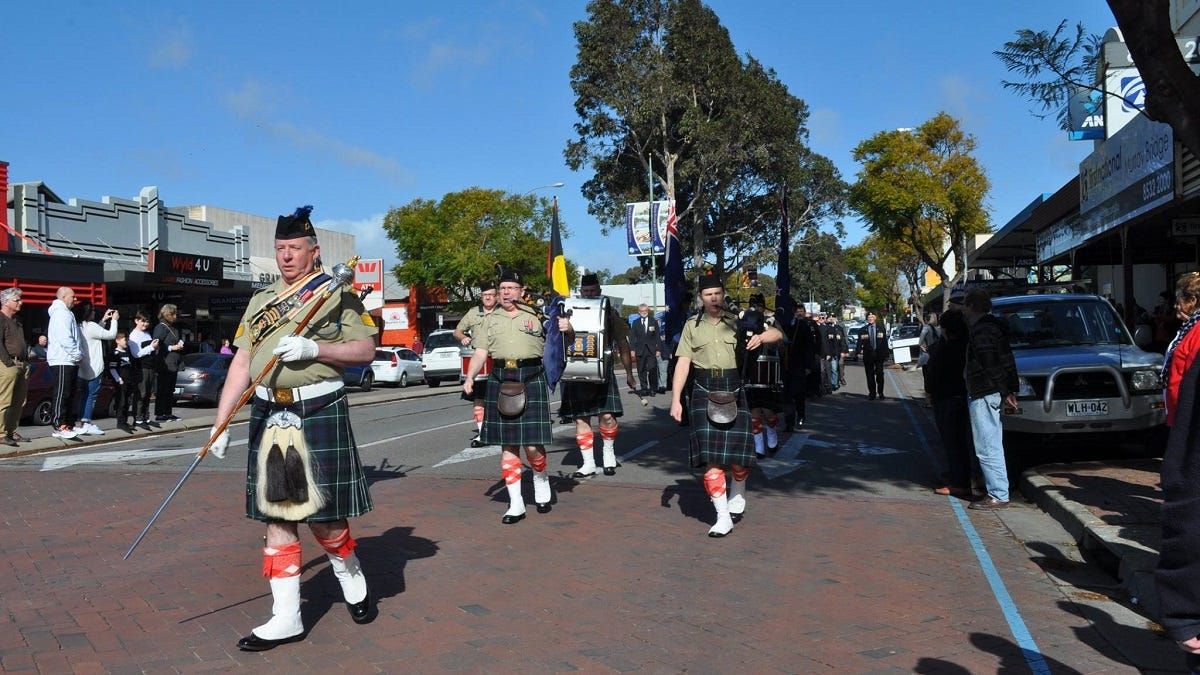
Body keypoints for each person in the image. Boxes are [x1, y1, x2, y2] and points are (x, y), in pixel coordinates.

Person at [209, 205, 378, 651]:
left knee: (325, 519)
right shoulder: (261, 301)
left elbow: (365, 350)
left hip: (318, 406)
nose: (286, 256)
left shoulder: (335, 294)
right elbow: (243, 362)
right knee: (278, 515)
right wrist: (221, 422)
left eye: (295, 248)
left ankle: (348, 570)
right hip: (268, 411)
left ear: (313, 251)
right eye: (280, 248)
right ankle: (287, 618)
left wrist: (315, 348)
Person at [670, 274, 783, 537]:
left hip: (734, 387)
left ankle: (739, 489)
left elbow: (778, 334)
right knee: (711, 461)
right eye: (708, 294)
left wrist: (762, 337)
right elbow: (683, 363)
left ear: (723, 295)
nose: (713, 298)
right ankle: (722, 517)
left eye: (717, 293)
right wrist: (676, 400)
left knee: (738, 461)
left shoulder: (738, 321)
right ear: (701, 298)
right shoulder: (691, 326)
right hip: (703, 388)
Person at [463, 269, 562, 524]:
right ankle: (516, 503)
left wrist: (568, 328)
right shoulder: (489, 319)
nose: (506, 293)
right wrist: (470, 376)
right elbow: (481, 351)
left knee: (532, 446)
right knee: (508, 446)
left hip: (531, 376)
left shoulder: (537, 315)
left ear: (522, 291)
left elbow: (561, 342)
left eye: (511, 288)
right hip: (500, 378)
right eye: (503, 289)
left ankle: (540, 478)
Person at [559, 273, 637, 477]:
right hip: (577, 371)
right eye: (586, 291)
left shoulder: (609, 313)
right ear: (580, 291)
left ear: (600, 291)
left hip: (602, 369)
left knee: (608, 417)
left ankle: (608, 454)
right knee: (581, 419)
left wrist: (629, 373)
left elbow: (623, 343)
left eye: (593, 290)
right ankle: (588, 464)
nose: (589, 294)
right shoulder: (569, 311)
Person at [962, 288, 1019, 510]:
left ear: (972, 306)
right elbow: (1007, 361)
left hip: (984, 391)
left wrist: (1005, 391)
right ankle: (998, 491)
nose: (963, 309)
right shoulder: (994, 328)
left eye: (965, 305)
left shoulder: (982, 331)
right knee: (992, 443)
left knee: (987, 445)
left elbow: (991, 363)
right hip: (991, 391)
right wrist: (1010, 389)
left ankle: (997, 494)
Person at [922, 309, 973, 497]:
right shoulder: (964, 344)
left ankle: (959, 482)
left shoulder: (948, 347)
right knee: (957, 440)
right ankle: (956, 475)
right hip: (957, 396)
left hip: (948, 397)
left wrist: (929, 391)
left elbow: (934, 370)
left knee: (953, 441)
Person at [453, 281, 498, 448]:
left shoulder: (503, 311)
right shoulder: (473, 313)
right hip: (479, 360)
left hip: (499, 358)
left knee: (500, 397)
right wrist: (463, 337)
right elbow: (457, 331)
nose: (488, 298)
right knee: (479, 398)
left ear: (496, 296)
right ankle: (482, 432)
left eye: (491, 295)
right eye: (485, 295)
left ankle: (499, 429)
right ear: (481, 297)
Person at [739, 293, 781, 457]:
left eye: (758, 306)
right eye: (753, 305)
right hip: (750, 371)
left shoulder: (770, 322)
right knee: (754, 411)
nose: (755, 308)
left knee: (768, 411)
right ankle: (759, 446)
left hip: (768, 374)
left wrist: (766, 333)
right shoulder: (744, 321)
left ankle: (771, 430)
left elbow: (781, 339)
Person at [75, 302, 118, 436]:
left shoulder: (79, 326)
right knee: (91, 395)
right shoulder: (91, 326)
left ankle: (82, 421)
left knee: (84, 394)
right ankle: (87, 422)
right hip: (94, 367)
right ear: (88, 313)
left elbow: (96, 333)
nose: (94, 312)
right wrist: (114, 320)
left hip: (82, 367)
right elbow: (111, 335)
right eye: (92, 310)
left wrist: (103, 320)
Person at [47, 287, 82, 439]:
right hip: (62, 359)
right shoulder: (61, 313)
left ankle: (68, 424)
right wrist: (77, 353)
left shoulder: (67, 313)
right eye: (72, 297)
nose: (75, 299)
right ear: (63, 297)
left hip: (69, 359)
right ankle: (59, 425)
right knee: (62, 393)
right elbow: (64, 337)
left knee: (69, 393)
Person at [0, 288, 29, 446]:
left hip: (22, 363)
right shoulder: (1, 318)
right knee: (4, 400)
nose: (20, 302)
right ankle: (1, 433)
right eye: (17, 300)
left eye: (20, 299)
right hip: (8, 364)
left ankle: (11, 431)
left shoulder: (18, 320)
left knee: (19, 401)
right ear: (6, 302)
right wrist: (8, 363)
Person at [783, 303, 819, 430]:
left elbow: (810, 347)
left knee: (799, 394)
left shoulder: (806, 326)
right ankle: (789, 422)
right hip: (787, 364)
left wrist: (809, 366)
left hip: (800, 365)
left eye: (801, 311)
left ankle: (801, 415)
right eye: (797, 311)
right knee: (788, 395)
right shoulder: (787, 324)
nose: (799, 313)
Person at [152, 304, 185, 422]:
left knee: (170, 389)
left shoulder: (173, 328)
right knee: (163, 389)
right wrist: (172, 347)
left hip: (173, 363)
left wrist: (179, 344)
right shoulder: (161, 327)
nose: (175, 316)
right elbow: (156, 345)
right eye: (173, 314)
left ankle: (167, 412)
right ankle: (160, 413)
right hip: (165, 363)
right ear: (166, 314)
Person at [128, 311, 159, 427]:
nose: (145, 324)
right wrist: (151, 347)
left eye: (147, 322)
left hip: (150, 366)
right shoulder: (133, 336)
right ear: (136, 321)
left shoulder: (146, 334)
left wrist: (154, 347)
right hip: (141, 368)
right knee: (141, 393)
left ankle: (145, 416)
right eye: (143, 321)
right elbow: (136, 354)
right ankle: (138, 418)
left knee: (148, 393)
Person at [630, 303, 663, 396]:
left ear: (648, 311)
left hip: (651, 350)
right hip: (640, 350)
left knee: (652, 369)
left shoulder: (653, 321)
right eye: (642, 311)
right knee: (641, 370)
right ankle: (644, 388)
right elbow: (632, 337)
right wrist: (632, 349)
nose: (644, 312)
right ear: (639, 312)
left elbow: (657, 336)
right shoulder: (635, 322)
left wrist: (658, 349)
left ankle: (653, 389)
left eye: (645, 311)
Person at [107, 332, 136, 431]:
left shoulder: (128, 352)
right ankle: (120, 422)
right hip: (121, 381)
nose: (126, 342)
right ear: (117, 341)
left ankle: (125, 421)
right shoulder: (115, 354)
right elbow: (112, 368)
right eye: (124, 340)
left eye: (127, 340)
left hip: (129, 380)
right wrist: (118, 379)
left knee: (127, 402)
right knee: (121, 402)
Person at [856, 313, 887, 400]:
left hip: (879, 355)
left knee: (879, 374)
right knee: (870, 375)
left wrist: (886, 353)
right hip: (868, 355)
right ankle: (872, 393)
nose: (870, 319)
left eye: (872, 317)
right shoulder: (863, 330)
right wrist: (858, 352)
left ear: (875, 318)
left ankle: (880, 392)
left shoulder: (881, 328)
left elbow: (884, 342)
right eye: (869, 317)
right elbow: (859, 342)